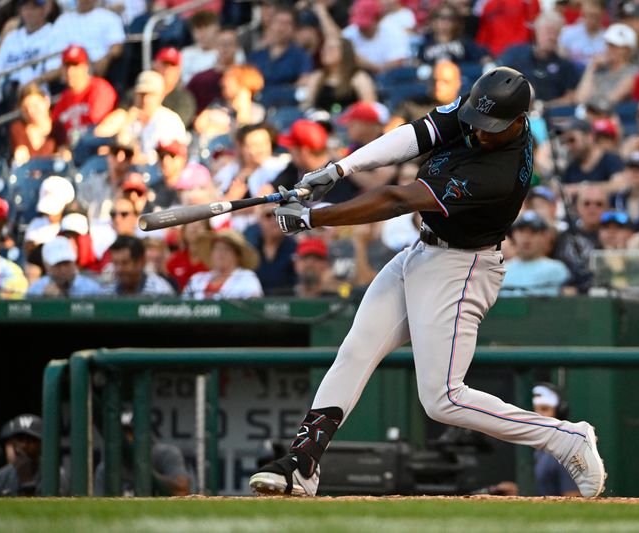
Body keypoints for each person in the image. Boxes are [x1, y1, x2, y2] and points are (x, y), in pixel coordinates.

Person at [248, 66, 606, 498]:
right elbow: (416, 135)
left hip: (462, 268)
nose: (477, 133)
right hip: (422, 253)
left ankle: (565, 438)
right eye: (475, 120)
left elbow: (399, 199)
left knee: (443, 399)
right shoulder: (482, 112)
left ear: (518, 123)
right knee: (356, 349)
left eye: (491, 128)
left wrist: (313, 218)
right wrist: (340, 169)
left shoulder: (500, 171)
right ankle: (302, 465)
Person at [94, 410, 192, 496]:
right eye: (123, 434)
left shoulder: (164, 454)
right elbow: (98, 506)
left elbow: (182, 490)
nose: (127, 439)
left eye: (131, 433)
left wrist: (151, 476)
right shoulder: (106, 468)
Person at [0, 414, 69, 497]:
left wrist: (27, 481)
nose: (24, 445)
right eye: (19, 439)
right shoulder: (1, 476)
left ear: (41, 444)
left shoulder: (55, 476)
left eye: (30, 440)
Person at [501, 211, 570, 296]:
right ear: (514, 234)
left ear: (545, 236)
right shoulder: (501, 270)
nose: (526, 237)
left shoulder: (558, 270)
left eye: (533, 232)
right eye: (521, 231)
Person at [531, 383, 582, 496]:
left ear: (559, 412)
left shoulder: (565, 450)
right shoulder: (540, 450)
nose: (537, 416)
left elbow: (574, 499)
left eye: (544, 409)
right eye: (533, 411)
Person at [183, 229, 264, 299]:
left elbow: (253, 308)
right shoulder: (196, 279)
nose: (221, 253)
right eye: (217, 248)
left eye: (227, 249)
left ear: (237, 256)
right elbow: (182, 308)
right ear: (211, 253)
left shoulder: (247, 278)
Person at [9, 82, 70, 166]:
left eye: (35, 106)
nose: (31, 112)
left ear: (46, 102)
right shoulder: (18, 128)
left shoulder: (57, 127)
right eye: (25, 109)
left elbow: (64, 154)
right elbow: (20, 155)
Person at [27, 235, 103, 297]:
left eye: (66, 263)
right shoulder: (36, 290)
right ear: (47, 266)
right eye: (58, 265)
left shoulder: (92, 289)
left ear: (74, 262)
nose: (63, 269)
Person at [102, 235, 177, 296]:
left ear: (141, 262)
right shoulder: (108, 292)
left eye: (125, 263)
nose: (119, 269)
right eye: (116, 263)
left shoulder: (160, 292)